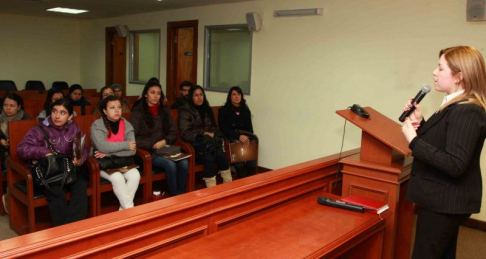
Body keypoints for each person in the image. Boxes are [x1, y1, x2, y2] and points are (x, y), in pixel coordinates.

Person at [401, 46, 486, 259]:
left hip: (445, 200)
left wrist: (413, 141)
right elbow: (445, 141)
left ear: (459, 76)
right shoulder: (455, 105)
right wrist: (420, 122)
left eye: (440, 68)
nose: (434, 72)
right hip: (444, 198)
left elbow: (455, 163)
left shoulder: (468, 110)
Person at [17, 98, 89, 226]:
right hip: (48, 172)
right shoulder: (39, 129)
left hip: (67, 169)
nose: (57, 116)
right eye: (54, 111)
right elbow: (22, 149)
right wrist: (43, 152)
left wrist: (80, 159)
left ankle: (73, 228)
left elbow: (84, 148)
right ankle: (63, 233)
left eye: (62, 112)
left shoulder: (73, 127)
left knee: (81, 185)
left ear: (70, 116)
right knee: (56, 192)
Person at [130, 81, 188, 196]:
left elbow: (173, 131)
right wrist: (153, 143)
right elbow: (133, 139)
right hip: (148, 151)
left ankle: (182, 195)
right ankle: (175, 196)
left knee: (184, 162)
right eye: (152, 93)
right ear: (146, 95)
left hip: (164, 148)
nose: (156, 96)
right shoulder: (138, 113)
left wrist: (165, 141)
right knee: (170, 165)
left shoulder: (164, 110)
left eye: (159, 93)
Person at [91, 95, 140, 210]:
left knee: (135, 175)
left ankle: (123, 211)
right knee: (117, 177)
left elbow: (132, 151)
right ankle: (130, 210)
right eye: (112, 108)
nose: (117, 110)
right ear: (104, 110)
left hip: (120, 161)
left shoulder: (127, 124)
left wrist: (109, 153)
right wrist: (125, 145)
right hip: (103, 163)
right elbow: (102, 146)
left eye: (119, 107)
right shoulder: (97, 125)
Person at [178, 85, 232, 188]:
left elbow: (213, 127)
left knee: (220, 154)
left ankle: (228, 185)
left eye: (201, 95)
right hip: (194, 145)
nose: (199, 97)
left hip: (208, 143)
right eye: (196, 95)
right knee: (209, 156)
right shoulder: (185, 111)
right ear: (191, 97)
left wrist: (211, 133)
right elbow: (185, 133)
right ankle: (211, 189)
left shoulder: (206, 108)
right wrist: (203, 133)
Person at [0, 93, 31, 214]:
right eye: (5, 105)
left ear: (19, 107)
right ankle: (10, 195)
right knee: (9, 166)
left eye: (12, 105)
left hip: (22, 152)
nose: (8, 108)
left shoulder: (27, 119)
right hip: (4, 154)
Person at [218, 86, 257, 178]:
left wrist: (246, 138)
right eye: (234, 94)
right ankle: (242, 185)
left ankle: (250, 185)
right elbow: (224, 129)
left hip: (245, 139)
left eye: (239, 94)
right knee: (240, 164)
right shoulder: (223, 110)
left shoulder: (245, 110)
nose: (237, 97)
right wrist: (238, 137)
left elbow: (250, 129)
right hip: (231, 139)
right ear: (230, 97)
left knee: (252, 163)